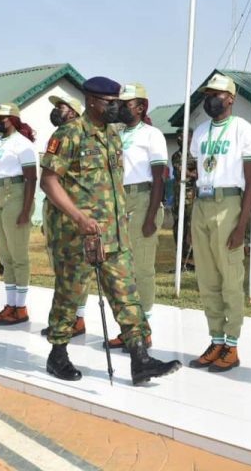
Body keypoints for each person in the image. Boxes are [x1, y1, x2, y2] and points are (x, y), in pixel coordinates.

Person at [39, 75, 181, 385]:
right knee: (70, 294)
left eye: (118, 102)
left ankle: (140, 358)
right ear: (92, 102)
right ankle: (58, 354)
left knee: (126, 294)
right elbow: (48, 181)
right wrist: (78, 217)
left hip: (114, 232)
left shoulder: (112, 135)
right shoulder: (69, 134)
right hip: (79, 234)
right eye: (111, 103)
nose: (116, 108)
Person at [187, 73, 251, 373]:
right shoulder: (200, 131)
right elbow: (198, 170)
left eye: (216, 94)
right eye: (207, 94)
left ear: (230, 98)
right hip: (202, 204)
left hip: (229, 203)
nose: (210, 99)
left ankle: (232, 344)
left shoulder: (244, 130)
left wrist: (241, 226)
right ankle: (215, 339)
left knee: (230, 277)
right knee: (207, 278)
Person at [101, 83, 167, 351]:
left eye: (125, 104)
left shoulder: (152, 135)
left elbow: (160, 176)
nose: (119, 108)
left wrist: (151, 215)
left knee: (141, 269)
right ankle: (128, 328)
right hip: (116, 201)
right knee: (119, 271)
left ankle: (144, 330)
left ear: (140, 107)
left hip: (142, 200)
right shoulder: (113, 134)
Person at [0, 103, 37, 326]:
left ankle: (21, 307)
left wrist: (26, 210)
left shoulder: (23, 144)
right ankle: (10, 304)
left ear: (13, 119)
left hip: (16, 194)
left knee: (18, 254)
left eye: (3, 117)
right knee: (5, 255)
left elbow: (32, 178)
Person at [40, 90, 87, 338]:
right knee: (71, 271)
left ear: (74, 111)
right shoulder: (82, 134)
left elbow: (47, 181)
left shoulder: (66, 134)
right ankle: (73, 319)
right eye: (56, 106)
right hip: (66, 212)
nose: (57, 109)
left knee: (70, 271)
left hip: (67, 215)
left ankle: (69, 321)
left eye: (62, 106)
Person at [171, 128, 197, 271]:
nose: (180, 138)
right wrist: (190, 173)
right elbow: (181, 171)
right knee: (177, 227)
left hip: (191, 196)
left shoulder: (195, 154)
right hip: (177, 196)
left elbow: (198, 173)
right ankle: (181, 261)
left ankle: (191, 261)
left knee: (189, 227)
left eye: (183, 135)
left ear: (191, 137)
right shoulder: (176, 155)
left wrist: (191, 173)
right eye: (178, 136)